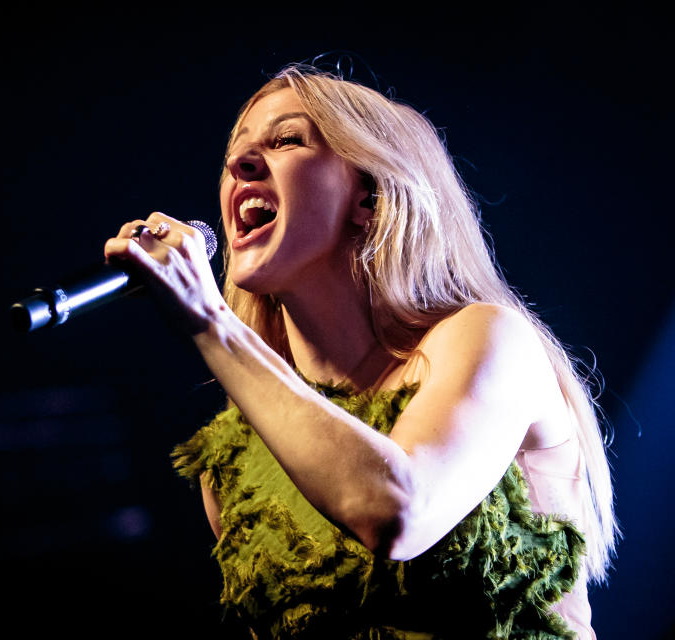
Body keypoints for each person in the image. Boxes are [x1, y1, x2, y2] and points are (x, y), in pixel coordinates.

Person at [103, 64, 616, 639]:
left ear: (369, 195)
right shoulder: (237, 460)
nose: (239, 165)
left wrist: (210, 321)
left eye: (287, 140)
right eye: (235, 156)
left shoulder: (487, 339)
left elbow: (400, 510)